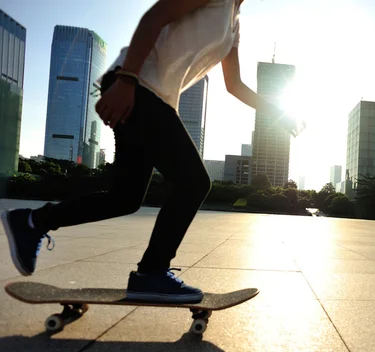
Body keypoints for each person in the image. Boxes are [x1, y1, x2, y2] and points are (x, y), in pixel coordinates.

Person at [1, 0, 301, 303]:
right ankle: (151, 273)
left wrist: (281, 113)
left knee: (125, 198)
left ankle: (32, 221)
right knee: (194, 182)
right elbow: (155, 15)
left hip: (149, 94)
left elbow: (234, 84)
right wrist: (127, 80)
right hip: (137, 85)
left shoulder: (233, 24)